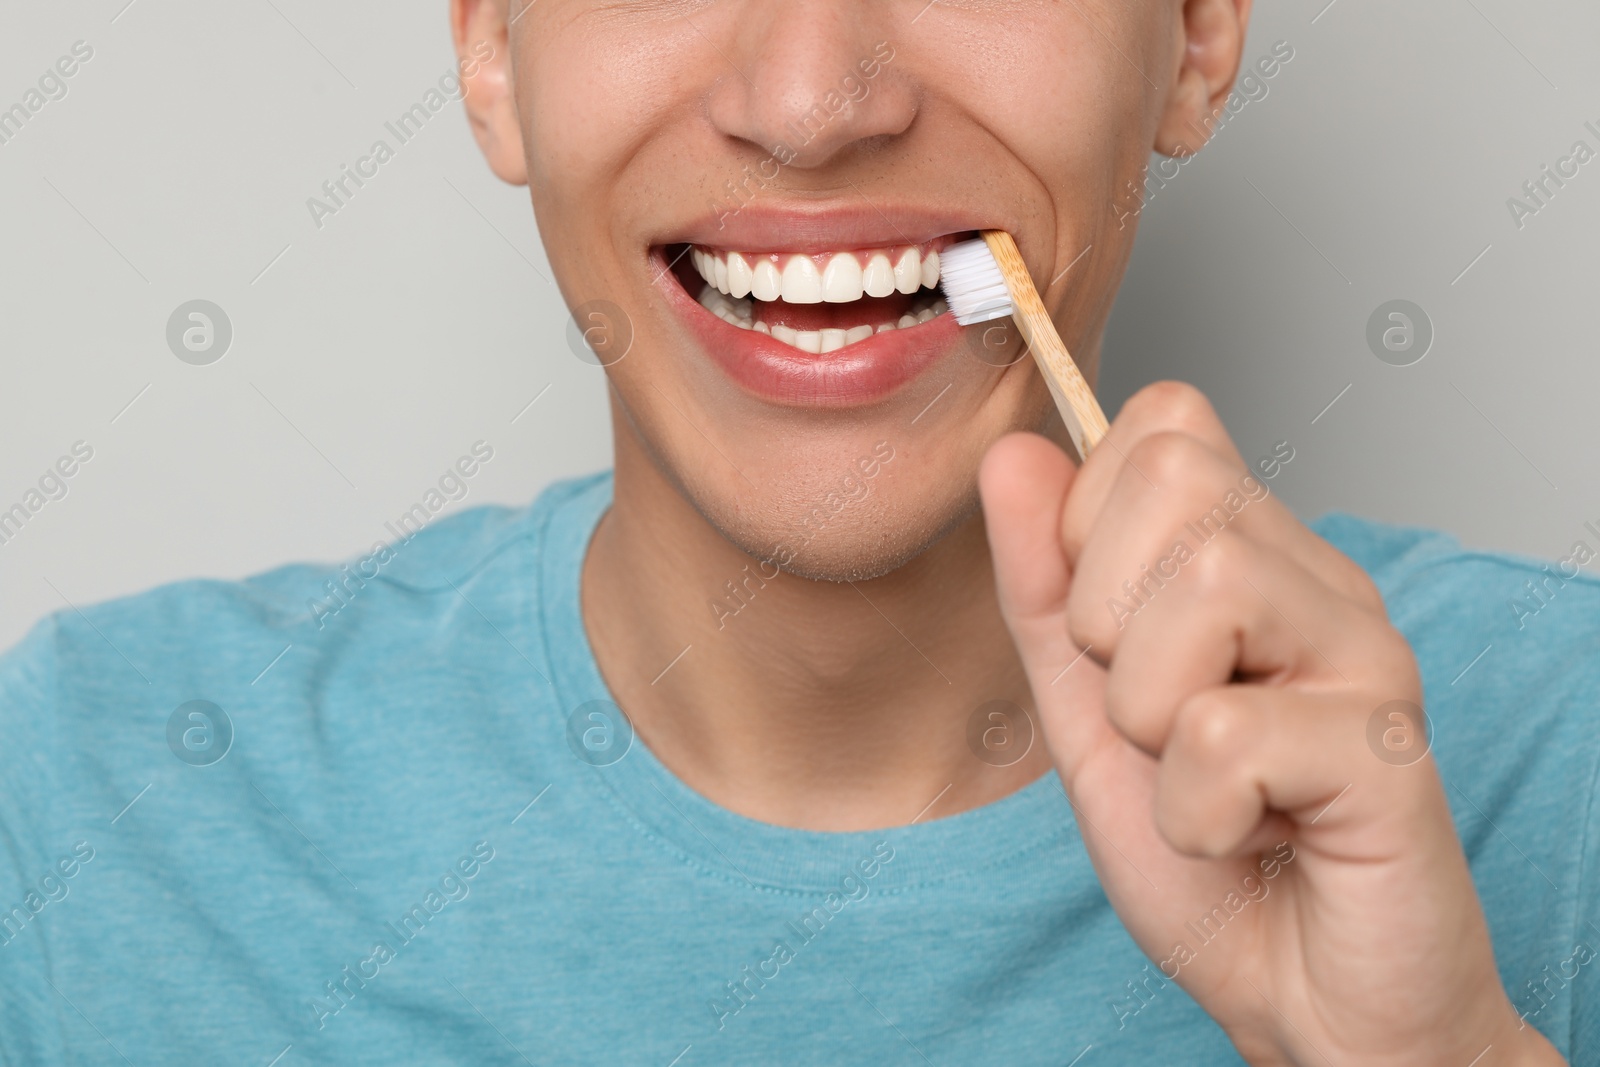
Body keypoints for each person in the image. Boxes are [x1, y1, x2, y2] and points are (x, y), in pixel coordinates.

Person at [1, 0, 1593, 1062]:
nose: (814, 105)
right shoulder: (90, 798)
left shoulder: (1560, 766)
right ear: (494, 51)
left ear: (1191, 36)